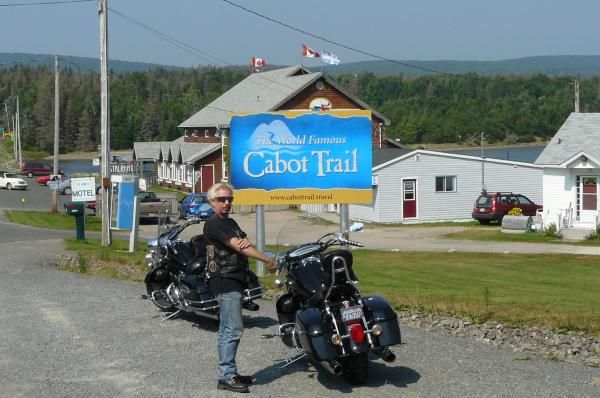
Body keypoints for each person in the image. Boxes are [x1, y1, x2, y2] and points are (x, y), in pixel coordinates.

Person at [203, 182, 276, 393]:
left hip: (234, 279)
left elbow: (245, 243)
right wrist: (267, 260)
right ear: (212, 202)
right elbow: (239, 246)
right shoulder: (214, 224)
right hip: (224, 280)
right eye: (221, 199)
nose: (226, 203)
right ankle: (226, 376)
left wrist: (244, 244)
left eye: (229, 199)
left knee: (232, 327)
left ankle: (230, 373)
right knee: (231, 328)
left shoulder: (230, 222)